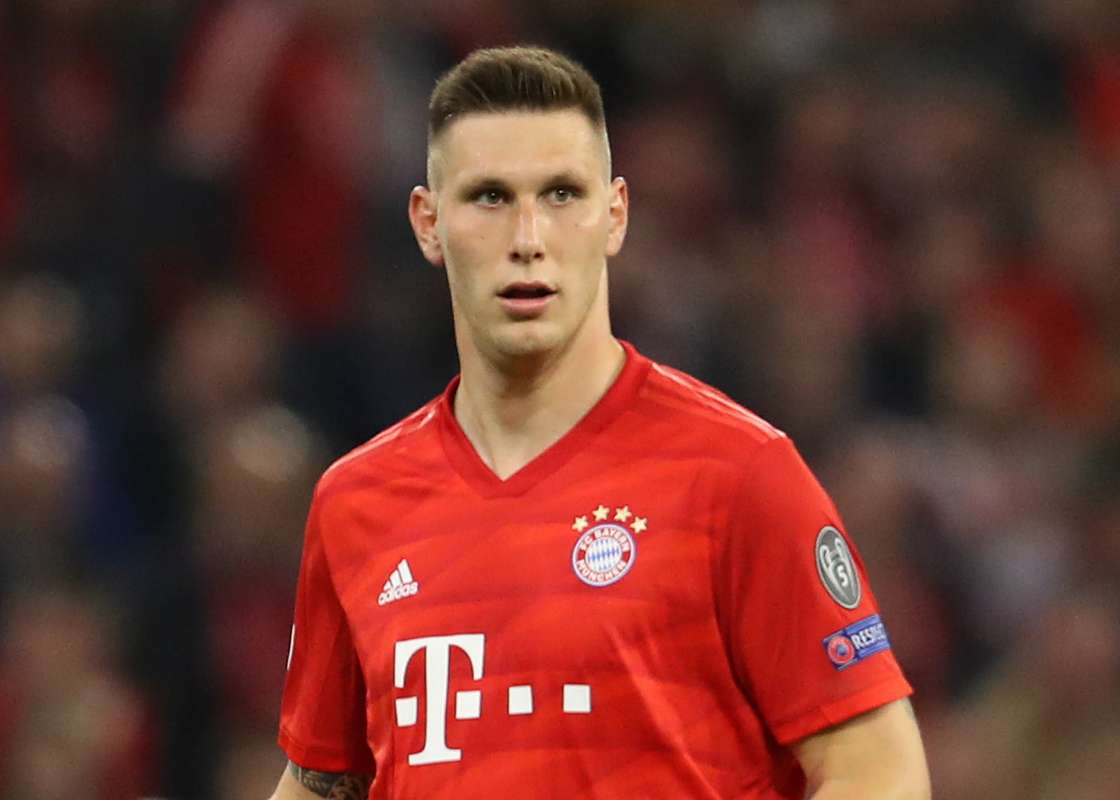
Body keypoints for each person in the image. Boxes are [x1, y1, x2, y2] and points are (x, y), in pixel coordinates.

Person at [269, 46, 930, 800]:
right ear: (428, 223)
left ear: (615, 215)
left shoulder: (737, 475)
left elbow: (877, 769)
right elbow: (321, 783)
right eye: (489, 197)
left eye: (561, 194)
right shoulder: (355, 504)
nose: (527, 237)